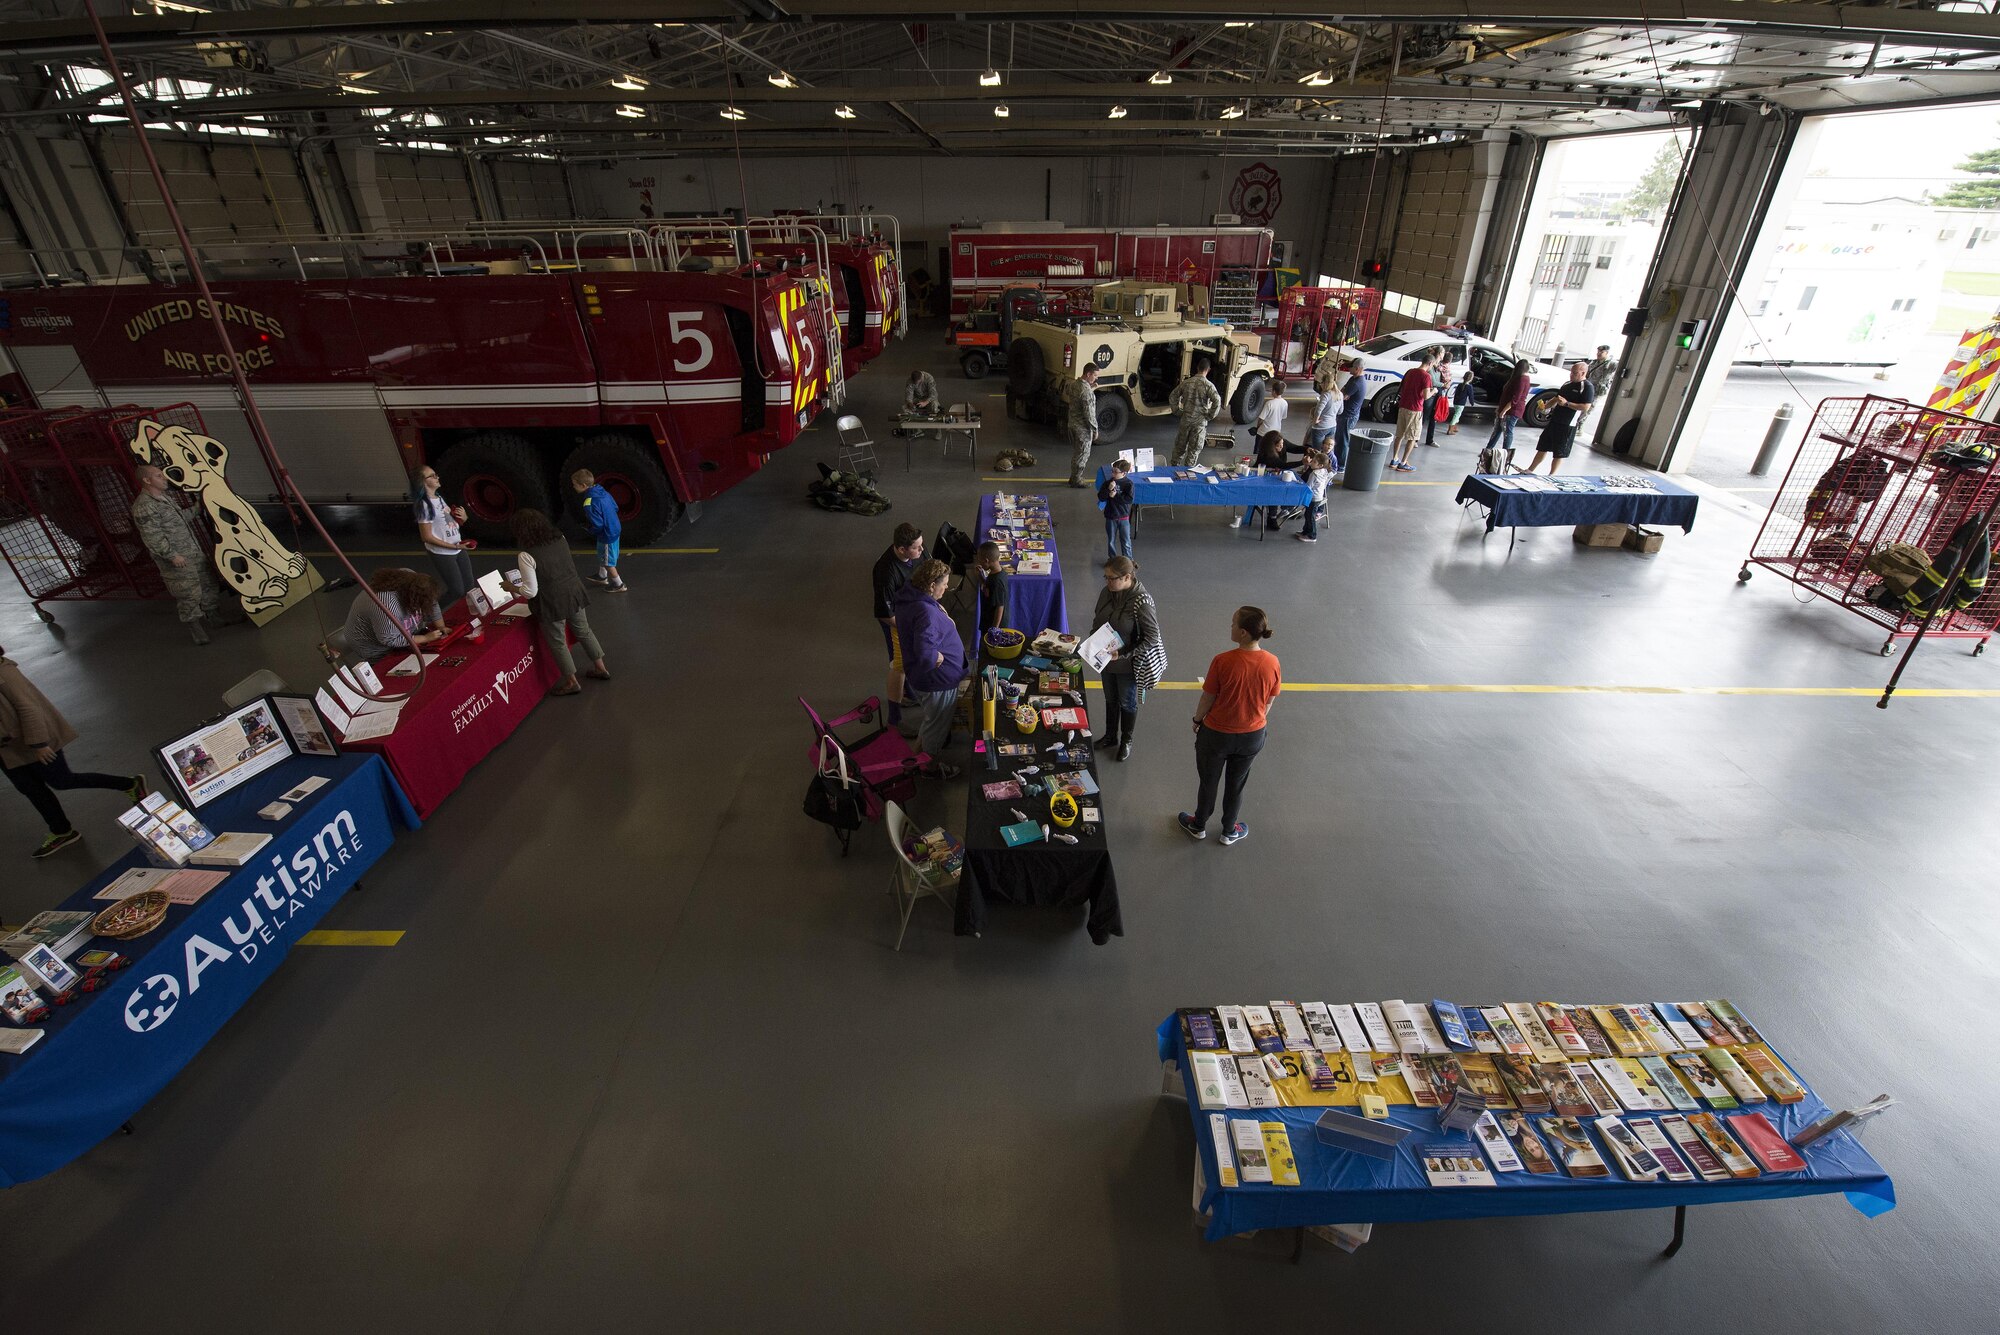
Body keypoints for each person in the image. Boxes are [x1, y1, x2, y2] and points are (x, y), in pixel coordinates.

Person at [1, 646, 148, 859]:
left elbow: (29, 708)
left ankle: (129, 784)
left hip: (33, 742)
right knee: (31, 789)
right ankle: (62, 831)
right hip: (7, 751)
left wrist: (39, 744)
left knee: (62, 781)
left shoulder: (5, 672)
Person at [1176, 605, 1281, 847]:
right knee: (1237, 783)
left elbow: (1208, 698)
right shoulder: (1272, 662)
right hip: (1252, 736)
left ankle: (1198, 825)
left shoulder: (1223, 661)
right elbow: (1269, 700)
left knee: (1209, 781)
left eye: (1233, 623)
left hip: (1216, 735)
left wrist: (1197, 720)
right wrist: (1254, 720)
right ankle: (1229, 830)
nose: (1230, 627)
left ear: (1243, 633)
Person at [508, 507, 609, 696]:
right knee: (584, 631)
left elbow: (530, 591)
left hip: (551, 602)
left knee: (558, 642)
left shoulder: (526, 555)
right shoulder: (560, 538)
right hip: (573, 592)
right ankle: (600, 667)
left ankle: (571, 682)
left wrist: (510, 587)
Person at [130, 462, 227, 644]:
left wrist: (198, 508)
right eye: (159, 476)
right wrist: (171, 555)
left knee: (208, 583)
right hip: (177, 558)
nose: (164, 478)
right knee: (188, 593)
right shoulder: (144, 506)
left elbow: (179, 519)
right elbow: (152, 536)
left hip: (191, 551)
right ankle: (196, 631)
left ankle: (214, 617)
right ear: (146, 480)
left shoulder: (164, 498)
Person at [890, 558, 964, 779]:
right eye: (944, 584)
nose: (946, 589)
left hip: (922, 679)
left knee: (931, 719)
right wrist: (935, 657)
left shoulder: (910, 596)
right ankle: (929, 768)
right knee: (937, 727)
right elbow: (924, 651)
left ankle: (914, 758)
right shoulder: (925, 612)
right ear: (932, 585)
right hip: (937, 682)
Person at [1091, 556, 1162, 763]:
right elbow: (1098, 620)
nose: (1107, 582)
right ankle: (1110, 736)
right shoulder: (1108, 592)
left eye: (1111, 578)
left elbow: (1152, 638)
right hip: (1105, 659)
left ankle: (1126, 741)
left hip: (1127, 665)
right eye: (1106, 577)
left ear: (1127, 577)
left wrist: (1123, 654)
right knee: (1110, 698)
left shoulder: (1142, 602)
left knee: (1127, 703)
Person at [342, 568, 445, 663]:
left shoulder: (413, 580)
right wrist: (424, 638)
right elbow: (389, 639)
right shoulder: (386, 604)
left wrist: (441, 627)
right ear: (412, 599)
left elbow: (431, 602)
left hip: (403, 636)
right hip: (378, 650)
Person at [410, 463, 476, 608]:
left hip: (458, 548)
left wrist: (463, 519)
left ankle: (465, 614)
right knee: (456, 590)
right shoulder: (424, 506)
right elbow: (426, 536)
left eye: (436, 474)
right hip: (444, 553)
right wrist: (454, 545)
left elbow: (448, 524)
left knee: (469, 585)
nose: (437, 477)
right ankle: (429, 613)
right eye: (432, 476)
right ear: (423, 482)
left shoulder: (439, 498)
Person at [1526, 361, 1597, 475]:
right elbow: (1557, 398)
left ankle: (1552, 475)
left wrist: (1567, 404)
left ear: (1583, 373)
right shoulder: (1567, 384)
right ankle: (1530, 470)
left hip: (1568, 423)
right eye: (1571, 372)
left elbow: (1585, 407)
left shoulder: (1587, 387)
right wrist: (1545, 406)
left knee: (1559, 452)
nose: (1571, 374)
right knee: (1543, 446)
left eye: (1575, 373)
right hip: (1554, 420)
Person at [571, 468, 626, 593]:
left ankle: (618, 584)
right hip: (614, 528)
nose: (573, 487)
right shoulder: (603, 492)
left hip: (606, 534)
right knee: (604, 554)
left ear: (583, 485)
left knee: (608, 561)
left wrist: (590, 529)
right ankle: (602, 576)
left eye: (574, 485)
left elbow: (597, 524)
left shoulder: (588, 502)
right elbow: (615, 507)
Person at [1168, 357, 1222, 468]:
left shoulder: (1187, 383)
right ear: (1208, 370)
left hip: (1186, 420)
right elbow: (1217, 401)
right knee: (1193, 452)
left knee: (1179, 449)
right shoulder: (1209, 386)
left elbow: (1173, 395)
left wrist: (1177, 411)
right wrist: (1210, 415)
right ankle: (1187, 475)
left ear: (1197, 368)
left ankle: (1173, 472)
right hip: (1199, 423)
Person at [1389, 352, 1434, 473]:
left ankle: (1394, 459)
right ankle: (1403, 463)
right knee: (1412, 437)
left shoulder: (1410, 372)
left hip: (1403, 406)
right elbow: (1426, 396)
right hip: (1415, 409)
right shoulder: (1426, 377)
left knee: (1399, 434)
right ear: (1430, 363)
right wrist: (1433, 391)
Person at [1485, 359, 1534, 465]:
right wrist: (1501, 408)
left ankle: (1505, 454)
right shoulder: (1520, 378)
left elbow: (1515, 399)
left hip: (1512, 411)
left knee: (1507, 432)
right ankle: (1488, 449)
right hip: (1506, 408)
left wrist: (1503, 411)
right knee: (1497, 429)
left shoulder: (1522, 379)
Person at [1066, 363, 1101, 488]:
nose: (1096, 378)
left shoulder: (1074, 384)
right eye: (1095, 375)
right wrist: (1095, 430)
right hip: (1082, 428)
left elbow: (1076, 396)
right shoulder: (1086, 392)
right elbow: (1089, 414)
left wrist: (1091, 389)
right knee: (1083, 454)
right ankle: (1077, 480)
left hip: (1072, 424)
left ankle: (1073, 477)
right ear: (1088, 374)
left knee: (1077, 453)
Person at [1296, 447, 1334, 545]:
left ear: (1320, 465)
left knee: (1310, 516)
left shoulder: (1314, 473)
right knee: (1308, 515)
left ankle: (1312, 535)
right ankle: (1305, 532)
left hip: (1313, 498)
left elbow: (1308, 486)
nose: (1311, 463)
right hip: (1319, 497)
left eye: (1313, 462)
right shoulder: (1324, 471)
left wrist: (1299, 484)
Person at [1099, 458, 1134, 559]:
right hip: (1111, 516)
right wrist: (1108, 489)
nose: (1113, 474)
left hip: (1123, 517)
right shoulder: (1108, 483)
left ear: (1124, 473)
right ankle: (1112, 560)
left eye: (1115, 472)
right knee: (1111, 541)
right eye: (1112, 471)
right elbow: (1101, 497)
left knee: (1126, 541)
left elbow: (1129, 500)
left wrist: (1116, 496)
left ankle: (1128, 561)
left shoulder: (1128, 484)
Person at [1334, 356, 1365, 472]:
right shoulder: (1354, 379)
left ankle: (1340, 466)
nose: (1349, 369)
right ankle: (1337, 461)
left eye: (1351, 367)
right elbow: (1343, 391)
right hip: (1347, 414)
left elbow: (1343, 395)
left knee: (1342, 441)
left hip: (1348, 416)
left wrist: (1341, 393)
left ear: (1357, 369)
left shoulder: (1356, 383)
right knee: (1340, 439)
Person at [971, 541, 1010, 634]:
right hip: (988, 615)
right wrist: (980, 577)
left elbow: (1000, 606)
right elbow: (988, 588)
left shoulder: (997, 581)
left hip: (995, 622)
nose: (978, 562)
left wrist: (994, 628)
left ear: (986, 561)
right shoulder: (996, 573)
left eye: (980, 560)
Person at [1255, 376, 1290, 461]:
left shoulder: (1269, 403)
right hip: (1276, 432)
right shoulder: (1285, 403)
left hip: (1264, 432)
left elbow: (1261, 418)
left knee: (1260, 451)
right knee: (1272, 450)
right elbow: (1283, 417)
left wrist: (1257, 427)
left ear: (1274, 391)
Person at [1423, 357, 1454, 448]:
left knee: (1434, 417)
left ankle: (1430, 440)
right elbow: (1433, 382)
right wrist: (1443, 384)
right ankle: (1415, 439)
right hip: (1431, 395)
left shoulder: (1440, 367)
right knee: (1424, 416)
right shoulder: (1431, 367)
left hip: (1437, 394)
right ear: (1440, 354)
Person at [905, 368, 940, 439]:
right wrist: (910, 404)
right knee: (906, 409)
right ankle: (918, 430)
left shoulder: (929, 378)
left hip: (929, 398)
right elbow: (909, 396)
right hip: (917, 399)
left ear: (921, 378)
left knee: (934, 407)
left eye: (918, 383)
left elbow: (934, 394)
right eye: (915, 383)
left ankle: (938, 430)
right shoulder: (910, 381)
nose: (916, 384)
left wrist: (925, 402)